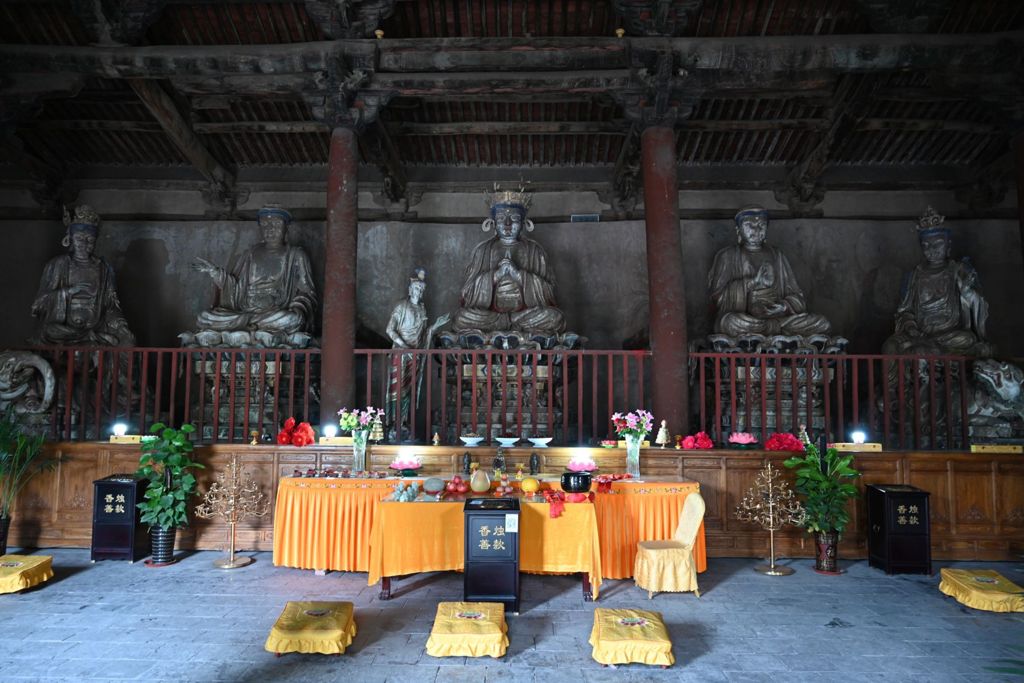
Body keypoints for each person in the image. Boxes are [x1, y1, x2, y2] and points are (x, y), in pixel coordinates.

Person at [191, 206, 317, 347]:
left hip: (275, 312)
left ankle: (244, 329)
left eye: (276, 225)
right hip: (245, 310)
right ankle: (253, 326)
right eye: (265, 225)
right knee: (204, 317)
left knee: (293, 319)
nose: (270, 229)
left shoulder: (296, 255)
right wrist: (214, 272)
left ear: (286, 227)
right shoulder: (250, 254)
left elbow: (306, 292)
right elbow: (233, 286)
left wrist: (297, 310)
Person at [451, 190, 566, 336]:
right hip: (491, 317)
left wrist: (518, 275)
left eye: (514, 218)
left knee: (556, 317)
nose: (507, 224)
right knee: (460, 318)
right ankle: (509, 322)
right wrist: (495, 276)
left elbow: (549, 293)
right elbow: (466, 293)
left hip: (524, 315)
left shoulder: (535, 251)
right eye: (501, 218)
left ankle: (510, 322)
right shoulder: (482, 251)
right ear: (493, 223)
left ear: (524, 223)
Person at [708, 206, 831, 338]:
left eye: (761, 225)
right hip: (748, 320)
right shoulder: (727, 255)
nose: (756, 230)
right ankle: (770, 332)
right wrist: (753, 282)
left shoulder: (777, 256)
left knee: (822, 323)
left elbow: (797, 297)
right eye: (750, 225)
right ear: (738, 230)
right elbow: (718, 297)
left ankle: (769, 331)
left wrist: (783, 307)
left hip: (779, 319)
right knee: (728, 322)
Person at [883, 207, 991, 357]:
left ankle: (928, 351)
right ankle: (903, 374)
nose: (931, 250)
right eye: (925, 246)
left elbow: (978, 304)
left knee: (968, 339)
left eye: (937, 244)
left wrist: (968, 293)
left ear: (948, 246)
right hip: (919, 334)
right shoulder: (913, 275)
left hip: (950, 334)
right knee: (890, 345)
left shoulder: (959, 270)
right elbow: (904, 311)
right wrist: (911, 327)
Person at [31, 205, 136, 346]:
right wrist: (67, 292)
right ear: (70, 238)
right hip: (64, 329)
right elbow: (38, 304)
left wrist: (121, 326)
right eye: (80, 238)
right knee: (50, 331)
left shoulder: (104, 269)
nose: (85, 243)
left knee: (128, 341)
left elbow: (111, 306)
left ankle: (91, 337)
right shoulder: (58, 264)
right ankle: (89, 337)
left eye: (90, 240)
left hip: (97, 326)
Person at [385, 268, 449, 441]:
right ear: (409, 290)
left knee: (409, 391)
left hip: (415, 355)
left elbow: (423, 335)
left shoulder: (422, 309)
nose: (418, 292)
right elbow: (390, 329)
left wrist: (435, 327)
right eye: (416, 289)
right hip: (401, 352)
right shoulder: (401, 306)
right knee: (397, 390)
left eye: (421, 290)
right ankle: (393, 424)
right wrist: (405, 347)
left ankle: (404, 422)